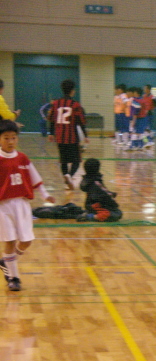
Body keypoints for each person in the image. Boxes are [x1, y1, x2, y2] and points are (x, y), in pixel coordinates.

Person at [0, 120, 56, 291]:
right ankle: (14, 278)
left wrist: (45, 195)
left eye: (13, 138)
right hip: (3, 206)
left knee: (26, 241)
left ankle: (6, 262)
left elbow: (35, 178)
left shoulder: (23, 158)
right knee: (10, 240)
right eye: (6, 138)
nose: (10, 141)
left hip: (22, 204)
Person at [48, 79, 88, 190]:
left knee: (64, 161)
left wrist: (51, 133)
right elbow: (81, 121)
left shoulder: (56, 104)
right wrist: (85, 135)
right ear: (72, 90)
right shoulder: (75, 104)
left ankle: (66, 181)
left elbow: (51, 119)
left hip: (60, 137)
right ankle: (69, 176)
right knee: (77, 161)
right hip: (72, 137)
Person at [76, 158, 122, 222]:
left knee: (116, 211)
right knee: (116, 214)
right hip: (95, 204)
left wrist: (110, 193)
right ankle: (89, 217)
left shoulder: (88, 179)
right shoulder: (95, 182)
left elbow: (102, 191)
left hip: (90, 204)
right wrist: (112, 202)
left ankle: (90, 213)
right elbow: (101, 195)